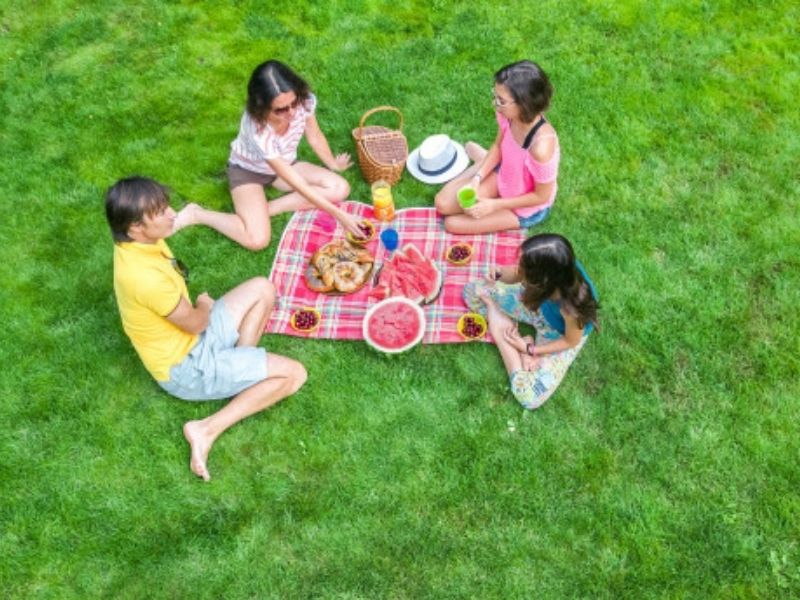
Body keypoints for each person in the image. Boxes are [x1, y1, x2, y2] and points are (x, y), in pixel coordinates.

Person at [106, 176, 307, 481]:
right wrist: (204, 305)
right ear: (135, 227)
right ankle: (205, 429)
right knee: (295, 374)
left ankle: (240, 372)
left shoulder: (140, 242)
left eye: (166, 206)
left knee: (263, 288)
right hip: (186, 367)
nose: (172, 214)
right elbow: (198, 321)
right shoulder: (142, 277)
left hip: (196, 338)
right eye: (160, 212)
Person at [173, 60, 364, 249]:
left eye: (293, 103)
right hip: (248, 172)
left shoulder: (303, 102)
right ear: (261, 107)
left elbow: (314, 135)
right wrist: (338, 214)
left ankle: (266, 210)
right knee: (257, 241)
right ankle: (197, 214)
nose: (291, 112)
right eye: (280, 109)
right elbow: (297, 183)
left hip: (285, 164)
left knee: (340, 187)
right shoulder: (257, 129)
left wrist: (332, 164)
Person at [463, 233, 598, 409]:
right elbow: (517, 275)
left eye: (524, 266)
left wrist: (529, 349)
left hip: (558, 335)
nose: (518, 268)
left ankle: (502, 336)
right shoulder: (557, 266)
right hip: (538, 308)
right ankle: (504, 325)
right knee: (473, 291)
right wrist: (498, 273)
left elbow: (570, 341)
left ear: (542, 279)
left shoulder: (571, 308)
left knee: (528, 395)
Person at [435, 60, 560, 234]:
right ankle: (482, 162)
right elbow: (498, 147)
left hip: (525, 207)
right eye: (495, 96)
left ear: (524, 104)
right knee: (441, 204)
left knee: (452, 224)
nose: (496, 104)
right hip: (505, 173)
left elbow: (541, 196)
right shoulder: (508, 115)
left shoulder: (541, 148)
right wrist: (477, 180)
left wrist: (494, 205)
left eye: (501, 100)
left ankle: (481, 159)